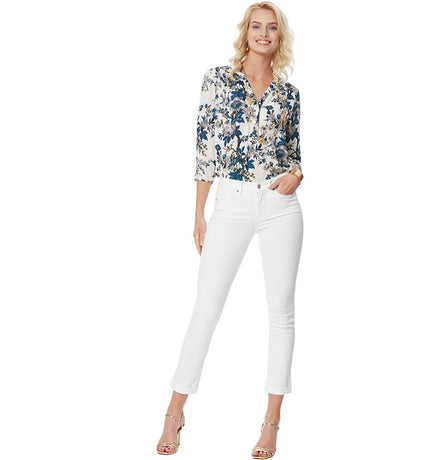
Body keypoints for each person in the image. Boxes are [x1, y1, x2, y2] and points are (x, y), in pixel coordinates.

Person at [156, 2, 304, 458]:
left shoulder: (289, 93)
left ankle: (271, 423)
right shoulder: (218, 80)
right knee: (206, 309)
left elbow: (294, 152)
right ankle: (174, 412)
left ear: (279, 37)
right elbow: (205, 147)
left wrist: (298, 174)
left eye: (272, 28)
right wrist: (199, 213)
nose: (264, 34)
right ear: (246, 32)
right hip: (233, 201)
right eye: (257, 26)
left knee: (281, 312)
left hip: (280, 205)